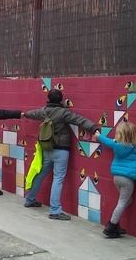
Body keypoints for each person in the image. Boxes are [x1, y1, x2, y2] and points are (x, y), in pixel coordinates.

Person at [23, 89, 98, 220]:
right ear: (61, 100)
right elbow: (79, 120)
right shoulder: (64, 113)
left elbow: (33, 113)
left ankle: (29, 199)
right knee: (58, 179)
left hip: (46, 148)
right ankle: (55, 210)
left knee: (40, 174)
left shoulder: (44, 111)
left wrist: (24, 114)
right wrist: (94, 128)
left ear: (48, 99)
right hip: (61, 150)